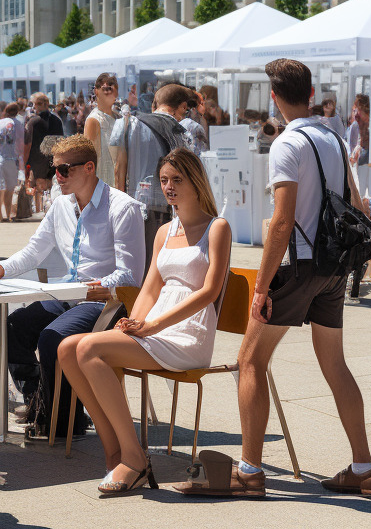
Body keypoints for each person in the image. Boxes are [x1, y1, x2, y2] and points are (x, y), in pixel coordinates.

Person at [178, 58, 371, 498]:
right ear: (310, 92)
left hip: (300, 265)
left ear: (273, 96)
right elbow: (357, 203)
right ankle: (363, 467)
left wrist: (262, 287)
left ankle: (249, 472)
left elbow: (282, 222)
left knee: (250, 360)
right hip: (332, 267)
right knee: (335, 364)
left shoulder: (287, 144)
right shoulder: (334, 136)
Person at [58, 148, 231, 496]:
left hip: (188, 334)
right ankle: (115, 454)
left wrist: (152, 326)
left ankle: (134, 458)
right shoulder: (165, 231)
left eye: (177, 180)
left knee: (90, 347)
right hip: (157, 329)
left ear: (196, 182)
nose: (168, 187)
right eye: (164, 180)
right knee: (66, 349)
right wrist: (134, 322)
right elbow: (150, 289)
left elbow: (210, 291)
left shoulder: (218, 228)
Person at [0, 135, 144, 442]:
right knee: (10, 327)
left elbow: (131, 275)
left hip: (106, 302)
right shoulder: (61, 206)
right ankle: (41, 402)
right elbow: (34, 249)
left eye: (64, 170)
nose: (57, 177)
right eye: (55, 170)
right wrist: (2, 268)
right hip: (68, 293)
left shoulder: (123, 208)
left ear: (89, 168)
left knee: (53, 337)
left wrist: (98, 285)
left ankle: (66, 422)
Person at [110, 83, 194, 270]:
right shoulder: (182, 134)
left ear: (156, 103)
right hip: (167, 210)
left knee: (132, 266)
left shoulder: (129, 124)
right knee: (158, 267)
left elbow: (118, 169)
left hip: (132, 205)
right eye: (184, 111)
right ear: (182, 107)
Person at [24, 93, 64, 213]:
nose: (34, 107)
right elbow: (61, 142)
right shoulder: (57, 120)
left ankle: (40, 212)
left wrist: (24, 162)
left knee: (39, 188)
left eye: (35, 104)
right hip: (54, 159)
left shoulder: (33, 122)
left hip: (37, 161)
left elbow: (28, 144)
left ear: (42, 104)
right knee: (51, 188)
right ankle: (49, 211)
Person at [0, 102, 23, 221]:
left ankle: (0, 216)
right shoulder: (16, 123)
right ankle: (8, 215)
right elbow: (18, 141)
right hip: (11, 159)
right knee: (10, 189)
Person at [84, 74, 120, 187]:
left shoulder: (119, 118)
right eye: (105, 89)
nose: (108, 92)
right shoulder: (94, 120)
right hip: (103, 183)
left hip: (119, 182)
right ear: (96, 91)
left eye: (112, 88)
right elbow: (89, 159)